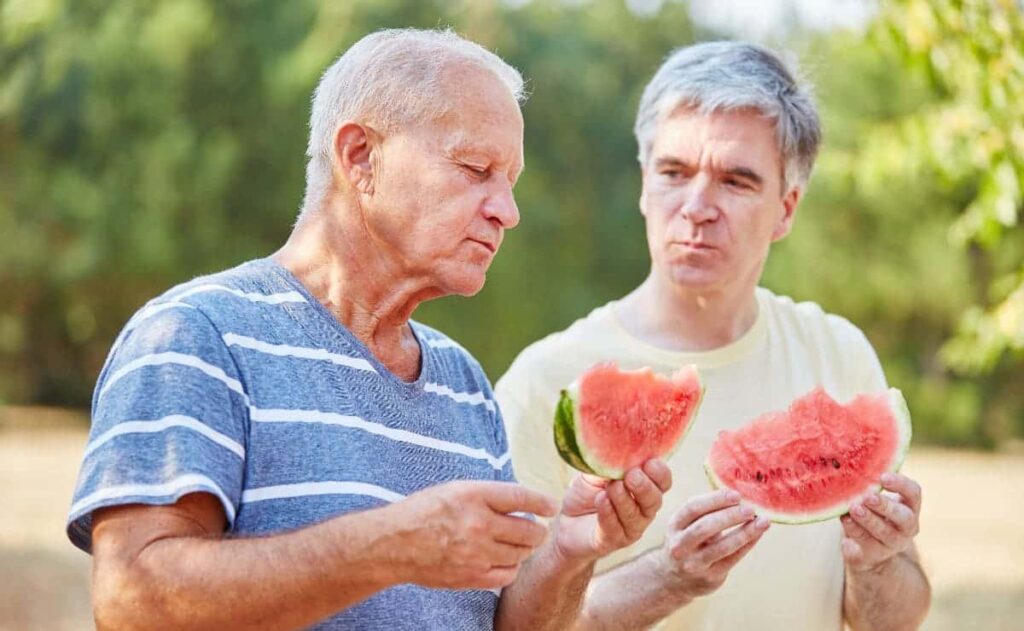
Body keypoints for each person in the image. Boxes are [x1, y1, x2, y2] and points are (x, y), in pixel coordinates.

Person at [66, 29, 672, 631]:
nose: (506, 212)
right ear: (359, 156)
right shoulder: (198, 336)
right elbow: (132, 602)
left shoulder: (463, 382)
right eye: (475, 168)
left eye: (508, 181)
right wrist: (389, 546)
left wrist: (569, 551)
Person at [496, 41, 931, 630]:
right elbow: (508, 625)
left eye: (736, 180)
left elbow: (897, 619)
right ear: (645, 186)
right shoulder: (545, 382)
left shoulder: (839, 354)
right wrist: (666, 580)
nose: (697, 206)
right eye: (674, 172)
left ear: (786, 208)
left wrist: (877, 564)